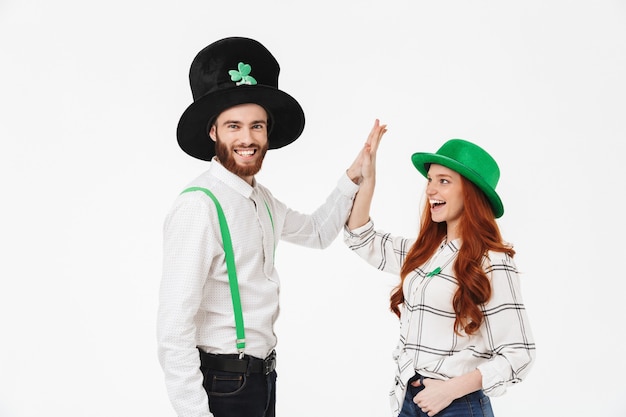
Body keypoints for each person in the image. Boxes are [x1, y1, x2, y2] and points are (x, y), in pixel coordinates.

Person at [157, 37, 373, 417]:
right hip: (223, 384)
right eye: (234, 126)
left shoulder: (261, 200)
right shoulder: (198, 206)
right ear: (213, 132)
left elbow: (317, 233)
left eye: (257, 126)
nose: (247, 138)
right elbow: (173, 330)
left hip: (263, 380)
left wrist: (353, 177)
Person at [344, 122, 536, 417]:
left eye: (444, 180)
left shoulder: (493, 261)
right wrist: (367, 177)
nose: (430, 189)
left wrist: (449, 390)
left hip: (458, 405)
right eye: (430, 179)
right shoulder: (424, 252)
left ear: (470, 193)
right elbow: (360, 236)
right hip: (410, 399)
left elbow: (519, 354)